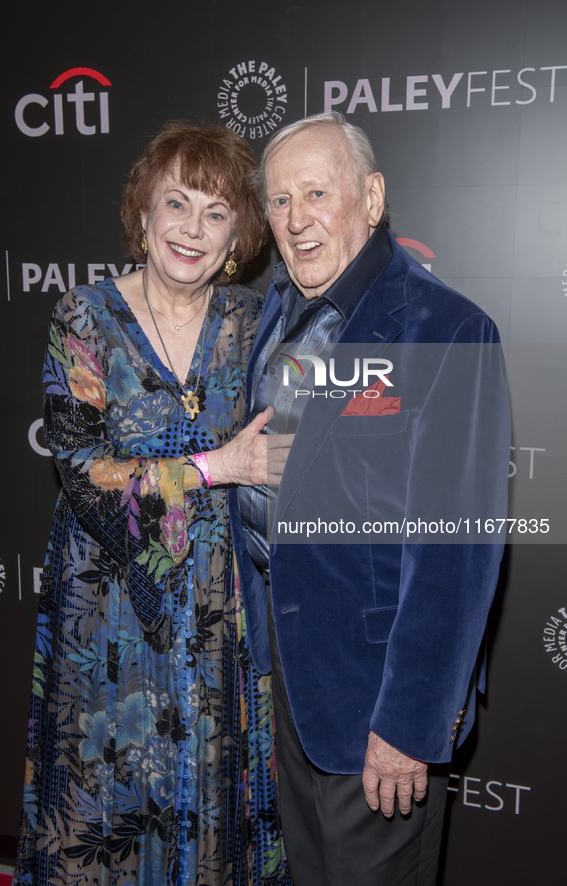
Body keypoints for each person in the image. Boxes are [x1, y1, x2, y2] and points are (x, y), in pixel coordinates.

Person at [228, 112, 511, 885]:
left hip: (378, 700)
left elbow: (456, 551)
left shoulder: (444, 330)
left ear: (372, 197)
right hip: (292, 679)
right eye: (279, 200)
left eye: (316, 192)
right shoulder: (280, 316)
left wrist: (408, 725)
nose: (295, 219)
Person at [14, 122, 293, 886]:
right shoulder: (85, 317)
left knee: (210, 789)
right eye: (177, 204)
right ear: (143, 216)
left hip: (216, 601)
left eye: (215, 212)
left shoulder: (249, 323)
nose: (193, 230)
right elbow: (81, 470)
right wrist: (213, 466)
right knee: (106, 800)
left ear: (239, 231)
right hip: (107, 601)